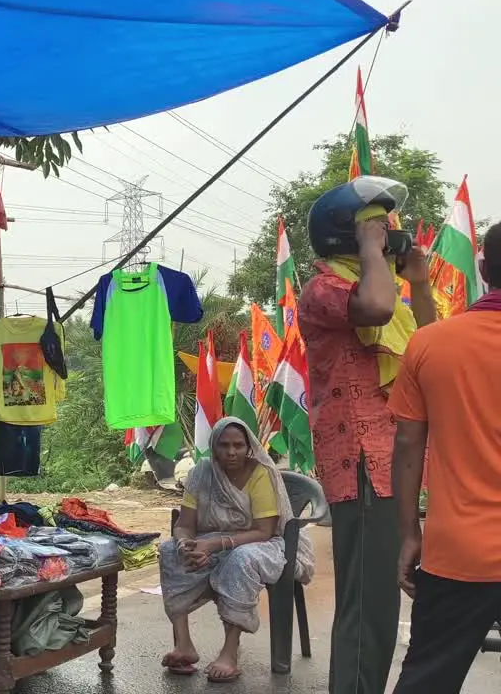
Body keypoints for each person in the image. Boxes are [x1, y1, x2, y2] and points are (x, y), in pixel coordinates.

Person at [298, 175, 436, 694]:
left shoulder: (381, 289)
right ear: (346, 237)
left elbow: (430, 343)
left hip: (391, 460)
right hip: (360, 462)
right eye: (377, 227)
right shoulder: (324, 289)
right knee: (368, 604)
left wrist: (418, 282)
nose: (389, 233)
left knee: (378, 601)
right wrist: (374, 253)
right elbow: (375, 308)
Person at [388, 223, 501, 692]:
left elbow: (408, 446)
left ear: (482, 267)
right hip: (459, 553)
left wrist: (410, 534)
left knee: (427, 682)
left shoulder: (431, 345)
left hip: (458, 551)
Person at [159, 417, 312, 683]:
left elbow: (264, 531)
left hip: (262, 544)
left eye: (238, 445)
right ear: (213, 447)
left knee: (240, 560)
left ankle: (230, 652)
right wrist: (186, 544)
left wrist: (213, 545)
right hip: (212, 539)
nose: (232, 452)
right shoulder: (201, 474)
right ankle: (184, 645)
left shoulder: (260, 473)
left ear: (248, 447)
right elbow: (184, 525)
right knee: (170, 551)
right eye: (224, 445)